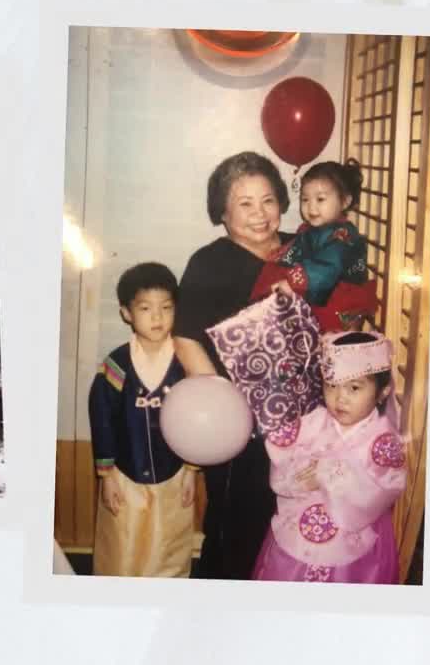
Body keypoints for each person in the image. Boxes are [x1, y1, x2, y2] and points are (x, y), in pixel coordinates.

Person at [171, 151, 295, 580]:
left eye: (268, 200)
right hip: (240, 428)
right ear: (222, 212)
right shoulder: (209, 263)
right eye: (245, 203)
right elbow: (186, 338)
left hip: (306, 422)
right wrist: (226, 409)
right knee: (237, 532)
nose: (260, 214)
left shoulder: (305, 251)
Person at [252, 330, 406, 583]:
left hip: (354, 533)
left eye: (354, 388)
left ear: (382, 391)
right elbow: (283, 459)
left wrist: (327, 475)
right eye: (331, 385)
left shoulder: (383, 441)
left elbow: (379, 493)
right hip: (299, 523)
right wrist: (301, 477)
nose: (340, 398)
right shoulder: (314, 422)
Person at [87, 262, 197, 577]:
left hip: (174, 474)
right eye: (146, 308)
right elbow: (102, 420)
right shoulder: (117, 364)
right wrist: (107, 476)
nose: (157, 317)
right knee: (122, 550)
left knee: (169, 548)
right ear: (126, 313)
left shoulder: (186, 361)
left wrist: (191, 472)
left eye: (166, 308)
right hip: (125, 476)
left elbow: (197, 421)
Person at [249, 158, 378, 332]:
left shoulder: (343, 235)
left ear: (345, 201)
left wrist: (291, 282)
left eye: (320, 199)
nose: (311, 207)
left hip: (340, 301)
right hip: (320, 292)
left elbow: (327, 266)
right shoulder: (311, 230)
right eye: (305, 199)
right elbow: (296, 252)